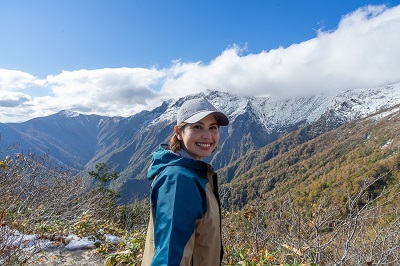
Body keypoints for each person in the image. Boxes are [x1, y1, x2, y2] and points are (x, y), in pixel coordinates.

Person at [141, 97, 229, 266]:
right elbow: (171, 255)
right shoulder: (179, 179)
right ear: (178, 132)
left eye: (213, 128)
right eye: (197, 127)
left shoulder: (193, 173)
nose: (207, 136)